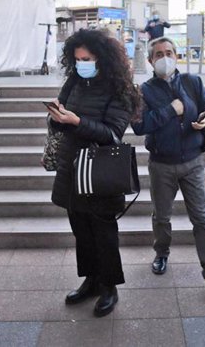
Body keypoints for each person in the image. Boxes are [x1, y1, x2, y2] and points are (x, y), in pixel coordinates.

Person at [48, 29, 140, 317]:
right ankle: (90, 280)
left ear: (102, 59)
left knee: (104, 232)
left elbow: (112, 134)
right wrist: (57, 119)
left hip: (100, 171)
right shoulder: (75, 82)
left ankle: (109, 286)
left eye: (86, 59)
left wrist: (77, 121)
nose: (80, 64)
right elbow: (62, 120)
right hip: (72, 167)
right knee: (81, 231)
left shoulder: (121, 90)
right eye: (76, 59)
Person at [131, 37, 205, 292]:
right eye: (158, 54)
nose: (164, 57)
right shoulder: (144, 90)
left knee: (201, 217)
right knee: (162, 215)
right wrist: (170, 110)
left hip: (193, 161)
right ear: (151, 60)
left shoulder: (192, 82)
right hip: (161, 164)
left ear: (177, 55)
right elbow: (139, 125)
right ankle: (161, 253)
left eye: (169, 52)